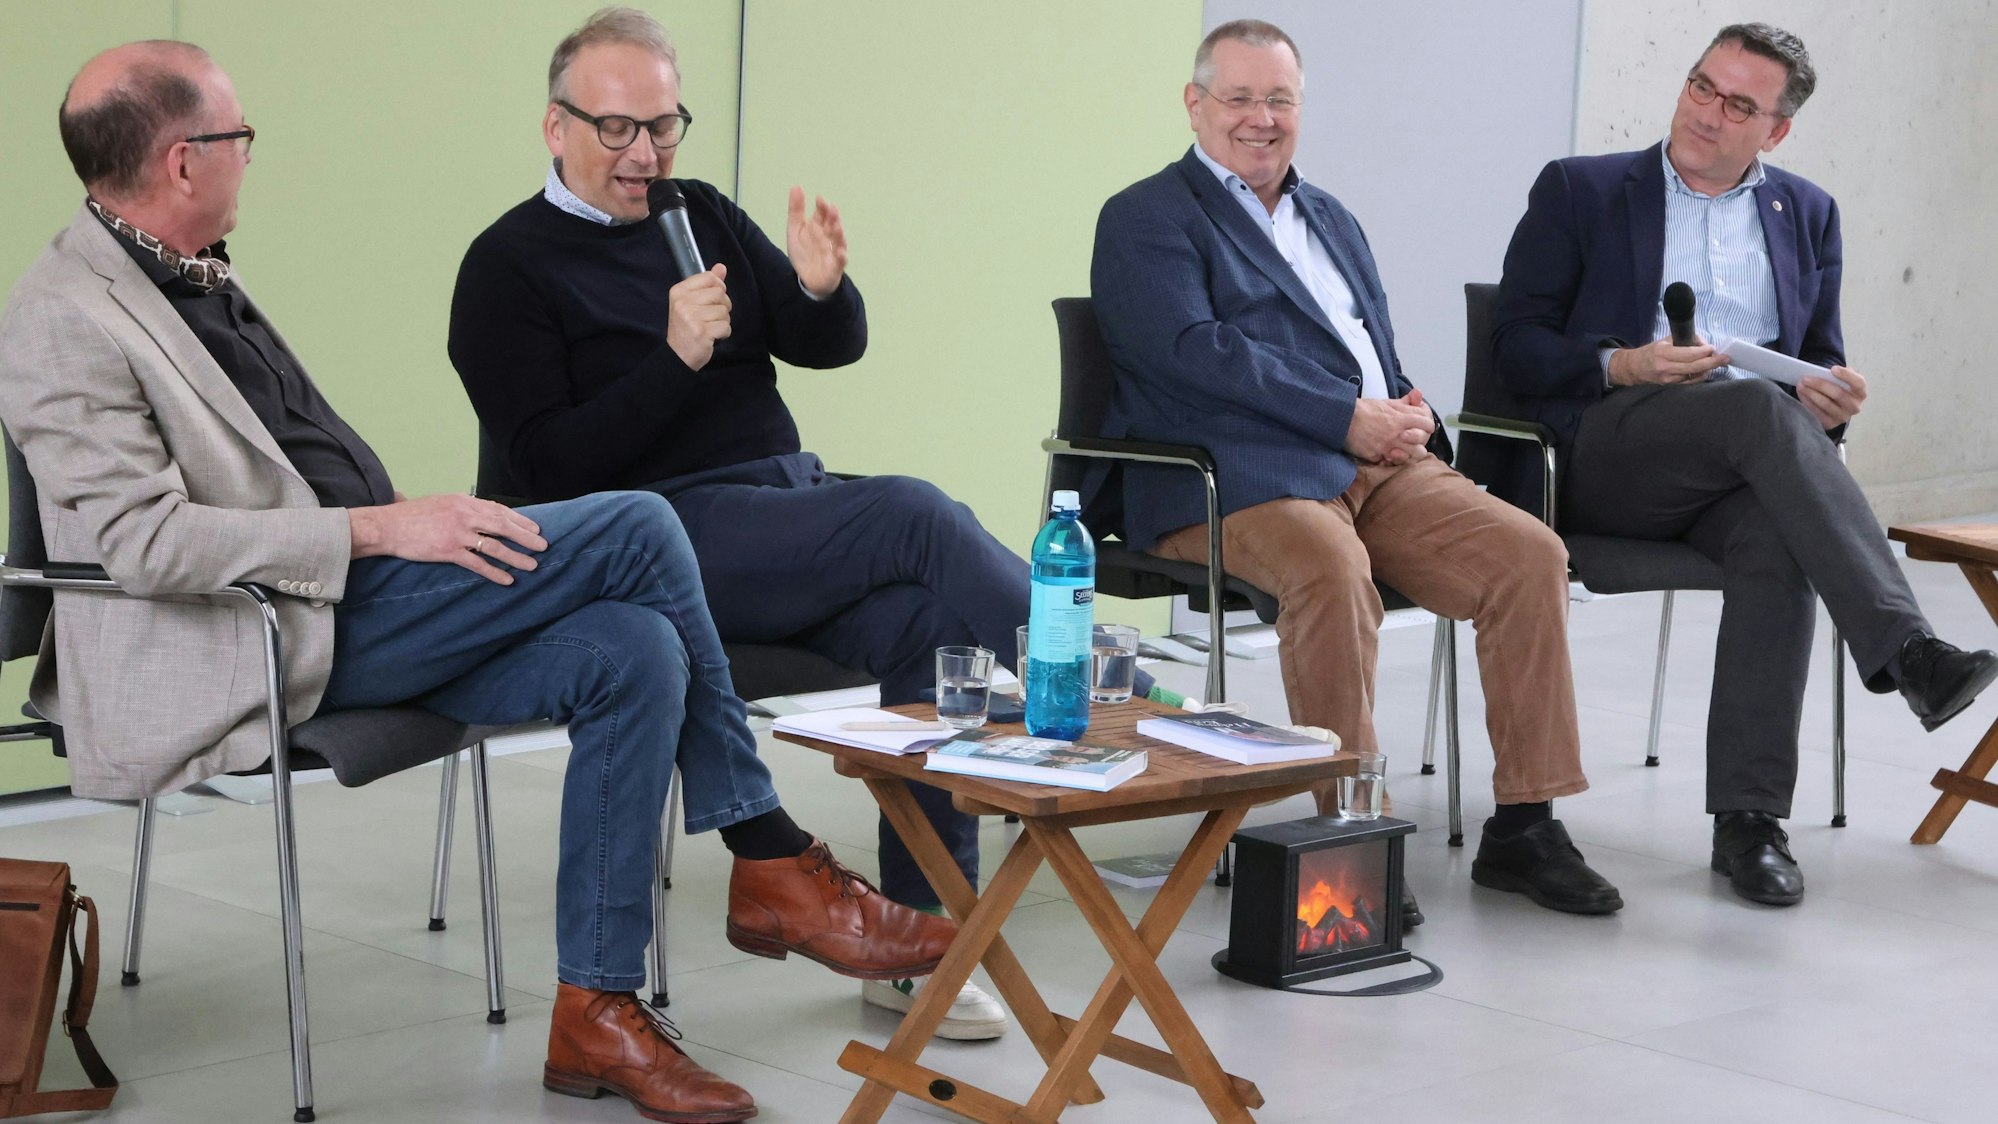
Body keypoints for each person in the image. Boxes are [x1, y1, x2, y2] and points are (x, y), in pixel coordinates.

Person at [0, 40, 961, 1123]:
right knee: (641, 525)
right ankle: (768, 851)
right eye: (241, 138)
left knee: (635, 651)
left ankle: (596, 1010)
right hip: (262, 630)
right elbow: (142, 543)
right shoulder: (62, 317)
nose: (250, 159)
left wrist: (400, 532)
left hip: (352, 588)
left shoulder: (193, 268)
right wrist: (381, 528)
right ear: (183, 161)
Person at [445, 6, 1173, 1036]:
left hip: (777, 510)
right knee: (915, 513)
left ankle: (919, 942)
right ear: (554, 126)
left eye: (662, 125)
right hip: (654, 537)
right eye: (616, 129)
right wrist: (671, 361)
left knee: (933, 622)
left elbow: (824, 341)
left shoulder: (694, 209)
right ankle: (1124, 688)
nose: (644, 153)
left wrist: (825, 289)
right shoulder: (505, 266)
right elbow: (545, 470)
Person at [1090, 19, 1623, 917]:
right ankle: (1352, 834)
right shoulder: (1146, 216)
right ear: (1195, 104)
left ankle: (1526, 823)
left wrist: (1405, 408)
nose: (1261, 118)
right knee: (1332, 574)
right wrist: (1347, 415)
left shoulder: (1330, 215)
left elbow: (1365, 346)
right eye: (1240, 98)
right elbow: (1195, 352)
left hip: (1373, 462)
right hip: (1234, 473)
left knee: (1529, 554)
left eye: (1280, 100)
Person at [1492, 22, 1998, 907]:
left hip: (1734, 470)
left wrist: (1830, 404)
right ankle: (1908, 652)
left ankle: (1749, 822)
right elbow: (1516, 347)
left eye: (1739, 105)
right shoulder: (1582, 189)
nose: (1708, 112)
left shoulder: (1806, 212)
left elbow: (1815, 365)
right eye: (1700, 86)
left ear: (1776, 130)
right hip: (1606, 453)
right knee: (1753, 406)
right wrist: (1624, 362)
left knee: (1776, 529)